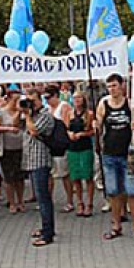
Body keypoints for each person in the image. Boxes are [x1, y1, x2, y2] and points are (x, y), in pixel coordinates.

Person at [96, 74, 134, 242]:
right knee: (113, 192)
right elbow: (98, 127)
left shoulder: (130, 104)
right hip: (109, 154)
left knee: (131, 191)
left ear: (122, 86)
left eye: (114, 86)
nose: (112, 89)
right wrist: (95, 125)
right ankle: (116, 225)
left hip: (128, 155)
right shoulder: (103, 104)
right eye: (109, 86)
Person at [21, 88, 55, 247]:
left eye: (32, 101)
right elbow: (16, 125)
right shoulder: (31, 115)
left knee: (43, 198)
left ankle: (48, 234)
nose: (30, 104)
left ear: (40, 100)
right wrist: (22, 111)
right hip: (31, 159)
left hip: (41, 160)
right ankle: (45, 227)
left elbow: (34, 131)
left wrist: (27, 115)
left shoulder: (45, 115)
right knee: (40, 198)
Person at [0, 90, 26, 214]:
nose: (17, 102)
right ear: (8, 99)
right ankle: (12, 202)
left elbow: (18, 123)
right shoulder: (1, 112)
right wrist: (8, 129)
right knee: (8, 178)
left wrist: (19, 111)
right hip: (6, 148)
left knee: (20, 177)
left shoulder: (22, 112)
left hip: (20, 147)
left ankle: (20, 201)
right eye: (15, 100)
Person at [45, 85, 74, 213]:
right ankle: (48, 200)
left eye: (49, 97)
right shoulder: (47, 109)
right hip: (49, 145)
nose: (47, 100)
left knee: (64, 174)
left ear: (56, 96)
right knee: (49, 174)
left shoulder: (64, 106)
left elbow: (66, 125)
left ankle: (70, 201)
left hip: (60, 144)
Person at [66, 91, 95, 217]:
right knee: (75, 177)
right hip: (72, 148)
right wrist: (69, 134)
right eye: (74, 98)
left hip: (85, 147)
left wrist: (83, 134)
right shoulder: (69, 113)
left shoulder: (89, 114)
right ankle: (79, 202)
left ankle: (89, 203)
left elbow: (93, 131)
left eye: (79, 97)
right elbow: (66, 128)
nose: (77, 100)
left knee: (87, 176)